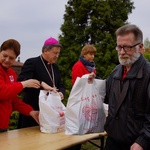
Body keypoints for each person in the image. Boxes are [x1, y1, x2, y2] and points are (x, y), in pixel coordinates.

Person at [88, 24, 150, 150]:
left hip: (137, 145)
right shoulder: (117, 71)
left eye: (127, 47)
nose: (122, 52)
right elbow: (107, 97)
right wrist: (93, 83)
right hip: (113, 141)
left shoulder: (148, 74)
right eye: (119, 47)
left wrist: (143, 141)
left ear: (140, 47)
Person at [17, 37, 65, 128]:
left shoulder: (55, 67)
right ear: (46, 50)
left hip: (51, 111)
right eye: (55, 53)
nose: (57, 56)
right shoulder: (32, 62)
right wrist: (40, 83)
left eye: (58, 53)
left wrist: (61, 93)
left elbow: (60, 85)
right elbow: (22, 81)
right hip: (33, 109)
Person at [0, 39, 40, 132]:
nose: (7, 60)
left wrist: (31, 112)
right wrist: (24, 84)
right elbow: (2, 91)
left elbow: (13, 100)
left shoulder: (12, 73)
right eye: (4, 56)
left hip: (3, 125)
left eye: (11, 58)